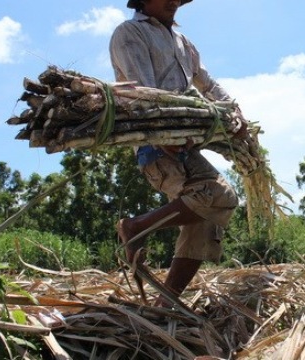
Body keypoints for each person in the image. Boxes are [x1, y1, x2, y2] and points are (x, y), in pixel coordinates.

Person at [110, 0, 242, 306]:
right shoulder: (129, 33)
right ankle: (136, 226)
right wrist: (161, 132)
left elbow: (207, 83)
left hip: (186, 143)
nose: (173, 1)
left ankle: (167, 303)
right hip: (155, 145)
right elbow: (141, 90)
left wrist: (234, 111)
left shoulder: (184, 43)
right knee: (219, 195)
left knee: (207, 221)